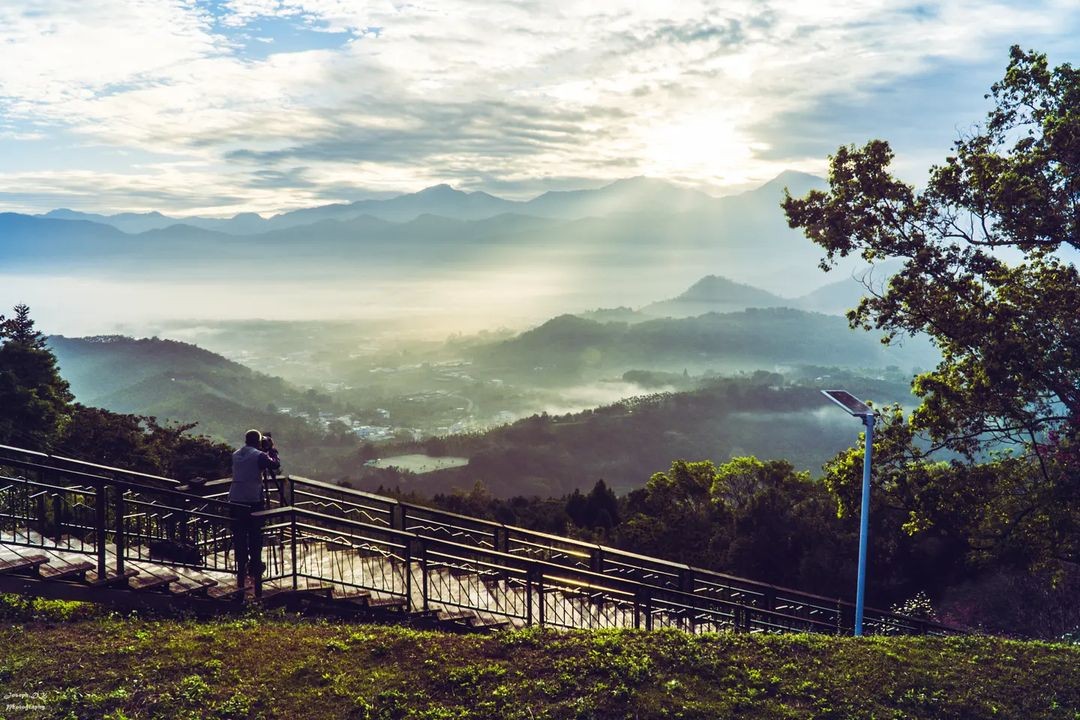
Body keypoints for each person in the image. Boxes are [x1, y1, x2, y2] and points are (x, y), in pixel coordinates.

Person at [230, 429, 280, 595]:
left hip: (235, 499)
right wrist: (272, 449)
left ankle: (241, 568)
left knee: (239, 534)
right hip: (253, 500)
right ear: (258, 442)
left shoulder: (236, 454)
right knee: (255, 535)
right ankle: (255, 566)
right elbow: (275, 464)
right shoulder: (259, 455)